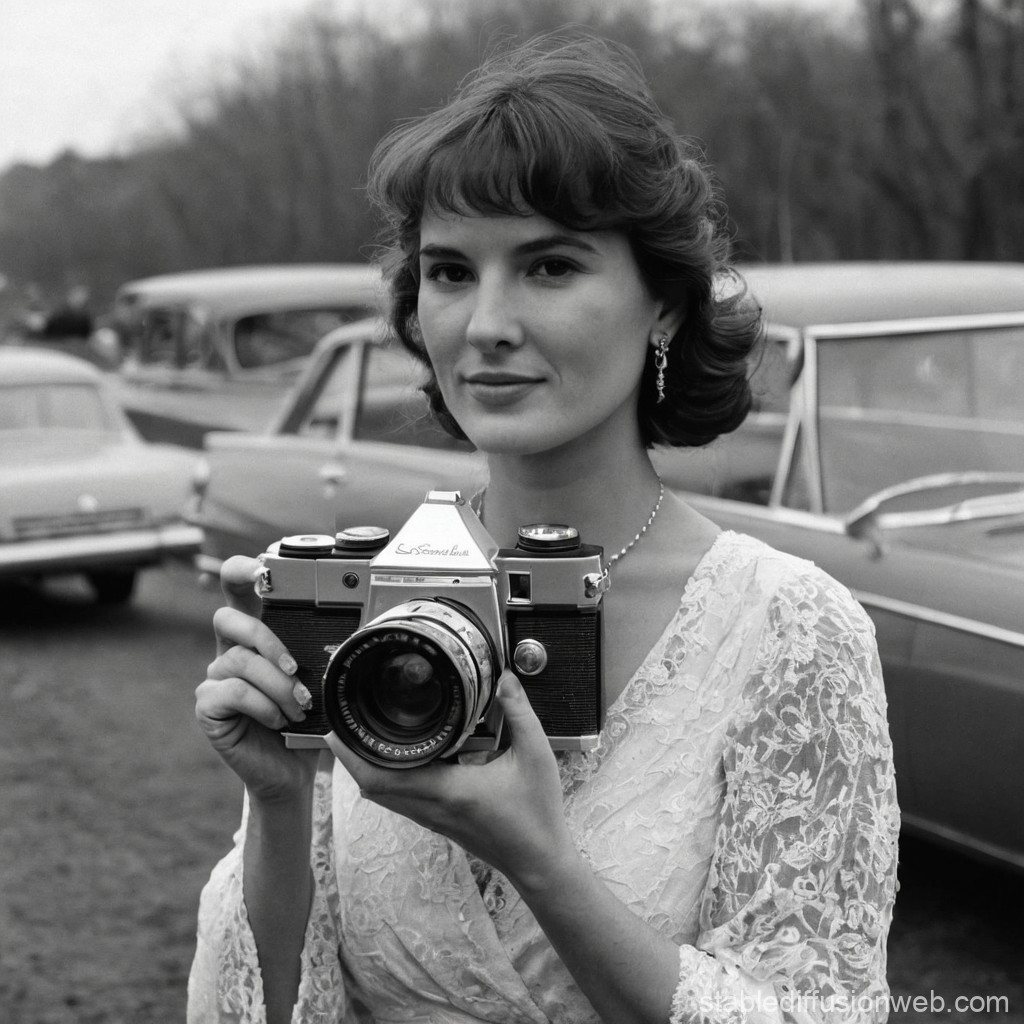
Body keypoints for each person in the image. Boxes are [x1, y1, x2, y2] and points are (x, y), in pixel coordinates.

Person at [189, 33, 899, 1024]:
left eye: (549, 266)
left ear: (662, 304)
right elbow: (267, 1004)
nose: (485, 322)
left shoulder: (787, 632)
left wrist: (540, 860)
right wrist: (274, 800)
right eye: (448, 271)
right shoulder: (375, 603)